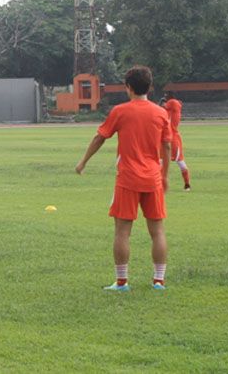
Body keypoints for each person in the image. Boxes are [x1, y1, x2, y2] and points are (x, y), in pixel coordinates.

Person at [76, 66, 172, 291]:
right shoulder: (160, 113)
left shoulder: (120, 111)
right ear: (150, 87)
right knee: (157, 231)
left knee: (122, 232)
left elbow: (100, 137)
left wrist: (83, 162)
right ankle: (158, 281)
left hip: (128, 179)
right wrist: (164, 175)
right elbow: (166, 146)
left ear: (127, 87)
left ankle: (122, 282)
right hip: (152, 179)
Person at [162, 91, 192, 191]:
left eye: (166, 97)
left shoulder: (173, 102)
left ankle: (187, 184)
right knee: (160, 161)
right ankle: (158, 183)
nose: (165, 99)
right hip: (166, 137)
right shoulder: (170, 110)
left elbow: (164, 106)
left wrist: (162, 103)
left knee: (179, 161)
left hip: (173, 138)